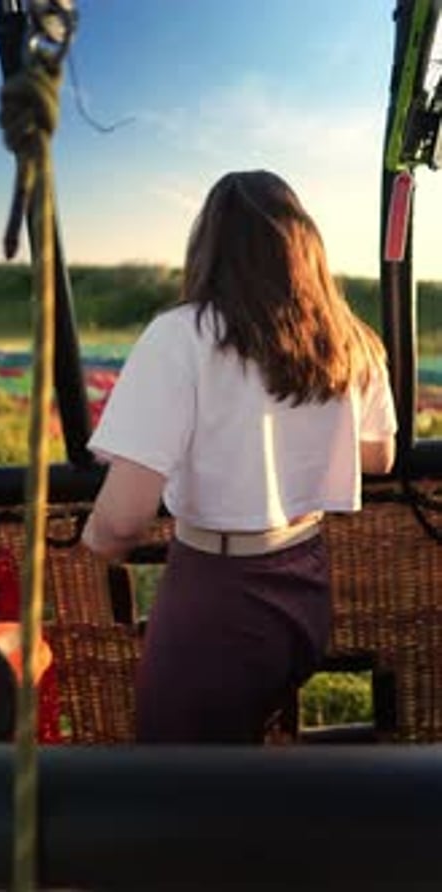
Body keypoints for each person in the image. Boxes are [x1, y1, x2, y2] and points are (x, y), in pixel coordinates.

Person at [81, 169, 397, 744]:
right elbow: (380, 455)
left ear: (209, 248)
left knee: (184, 781)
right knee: (244, 756)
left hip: (218, 597)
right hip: (306, 580)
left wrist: (95, 540)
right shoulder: (351, 339)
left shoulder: (181, 337)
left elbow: (122, 521)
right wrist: (286, 436)